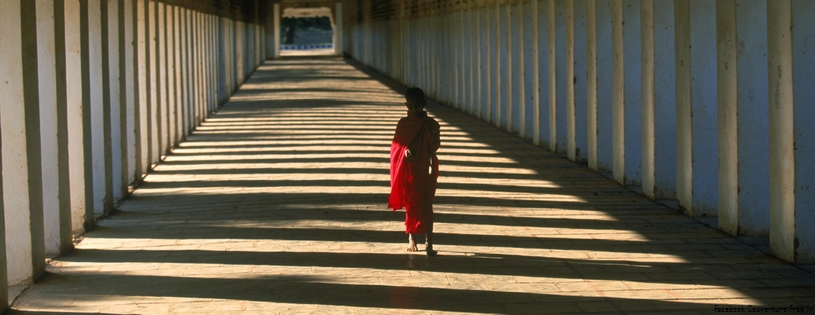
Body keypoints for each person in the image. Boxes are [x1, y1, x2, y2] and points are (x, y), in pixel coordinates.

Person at [388, 87, 441, 256]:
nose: (414, 110)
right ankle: (412, 238)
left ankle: (429, 242)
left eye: (417, 106)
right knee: (411, 204)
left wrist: (433, 136)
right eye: (410, 107)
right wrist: (404, 152)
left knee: (426, 204)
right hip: (409, 169)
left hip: (425, 169)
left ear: (424, 104)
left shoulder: (430, 124)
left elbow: (434, 147)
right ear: (406, 105)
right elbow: (396, 146)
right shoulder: (403, 124)